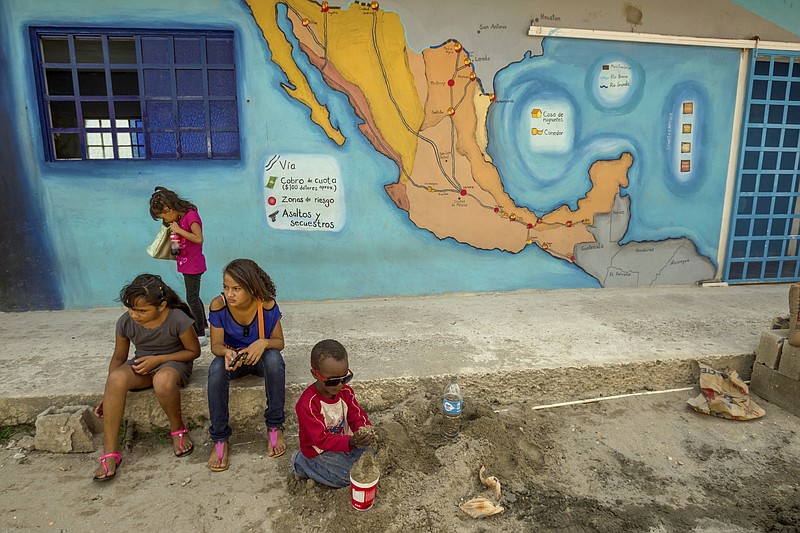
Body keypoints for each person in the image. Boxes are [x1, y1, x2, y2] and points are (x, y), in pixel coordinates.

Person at [93, 274, 201, 481]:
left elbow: (193, 352)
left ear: (161, 306)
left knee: (162, 380)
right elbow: (118, 358)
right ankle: (110, 453)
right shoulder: (125, 322)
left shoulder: (178, 319)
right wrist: (108, 394)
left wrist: (159, 359)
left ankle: (177, 428)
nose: (134, 315)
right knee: (116, 379)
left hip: (174, 363)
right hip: (143, 365)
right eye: (131, 309)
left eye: (142, 311)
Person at [206, 259, 287, 471]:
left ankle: (275, 425)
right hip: (233, 361)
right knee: (215, 369)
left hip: (259, 361)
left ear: (252, 288)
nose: (229, 294)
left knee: (274, 360)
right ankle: (220, 437)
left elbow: (280, 343)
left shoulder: (266, 305)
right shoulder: (219, 305)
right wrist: (225, 352)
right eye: (225, 287)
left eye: (236, 289)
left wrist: (263, 343)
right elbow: (215, 345)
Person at [292, 339, 375, 488]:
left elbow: (357, 416)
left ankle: (343, 458)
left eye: (345, 378)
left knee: (370, 452)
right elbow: (321, 440)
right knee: (346, 478)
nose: (340, 385)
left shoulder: (346, 392)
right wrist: (351, 442)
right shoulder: (308, 404)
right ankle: (302, 463)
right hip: (320, 451)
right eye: (332, 381)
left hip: (344, 441)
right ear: (315, 374)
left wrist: (363, 430)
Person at [149, 186, 209, 345]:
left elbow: (199, 238)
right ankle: (205, 326)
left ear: (169, 209)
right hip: (185, 262)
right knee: (195, 296)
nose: (164, 220)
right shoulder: (177, 220)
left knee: (192, 298)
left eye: (163, 215)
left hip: (193, 264)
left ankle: (200, 333)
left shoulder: (191, 216)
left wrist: (177, 230)